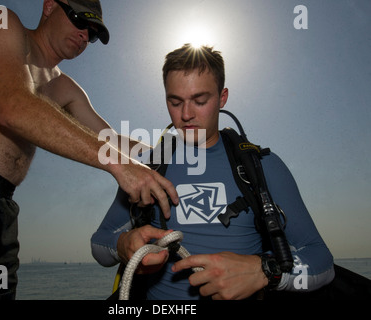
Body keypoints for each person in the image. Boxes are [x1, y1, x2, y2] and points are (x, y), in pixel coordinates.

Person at [0, 0, 178, 299]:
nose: (84, 36)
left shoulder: (67, 89)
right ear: (50, 6)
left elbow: (111, 140)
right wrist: (119, 166)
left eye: (92, 33)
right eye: (80, 21)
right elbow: (14, 107)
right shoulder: (0, 20)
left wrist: (180, 155)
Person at [91, 44, 335, 300]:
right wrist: (122, 245)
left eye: (200, 100)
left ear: (222, 98)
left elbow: (321, 260)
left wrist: (263, 270)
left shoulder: (262, 166)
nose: (186, 115)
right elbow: (100, 244)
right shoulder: (146, 167)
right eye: (175, 102)